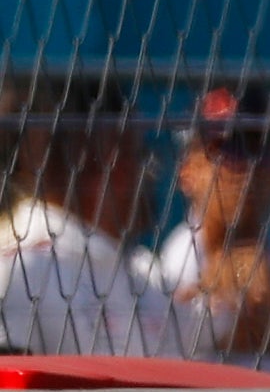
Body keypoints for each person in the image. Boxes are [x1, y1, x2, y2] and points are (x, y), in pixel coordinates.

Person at [146, 84, 270, 376]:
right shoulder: (181, 258)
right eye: (233, 150)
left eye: (264, 149)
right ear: (188, 170)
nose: (251, 167)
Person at [0, 73, 168, 358]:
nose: (148, 172)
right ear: (86, 156)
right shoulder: (22, 270)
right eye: (136, 152)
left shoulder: (144, 277)